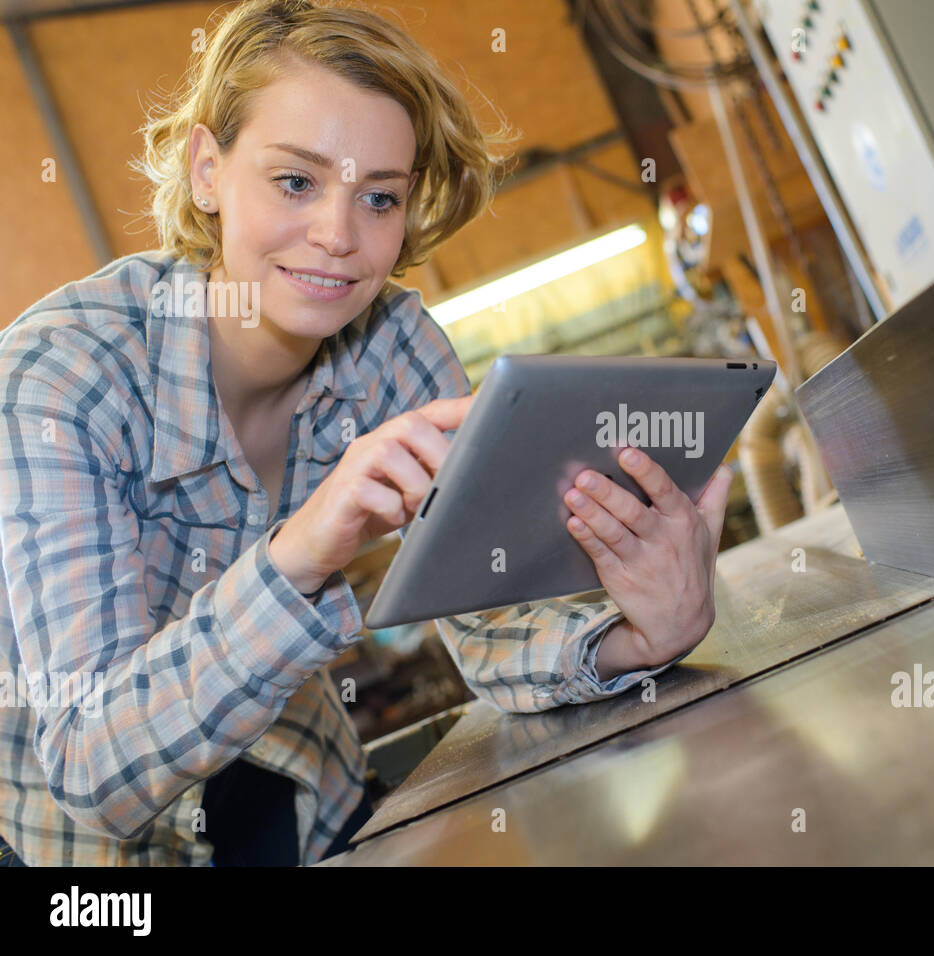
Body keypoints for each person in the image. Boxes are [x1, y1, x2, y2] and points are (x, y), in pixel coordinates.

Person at [0, 0, 731, 867]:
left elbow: (489, 629)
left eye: (379, 196)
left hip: (299, 794)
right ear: (207, 170)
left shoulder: (394, 354)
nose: (338, 236)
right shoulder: (60, 382)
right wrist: (303, 548)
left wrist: (633, 639)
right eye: (296, 182)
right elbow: (94, 767)